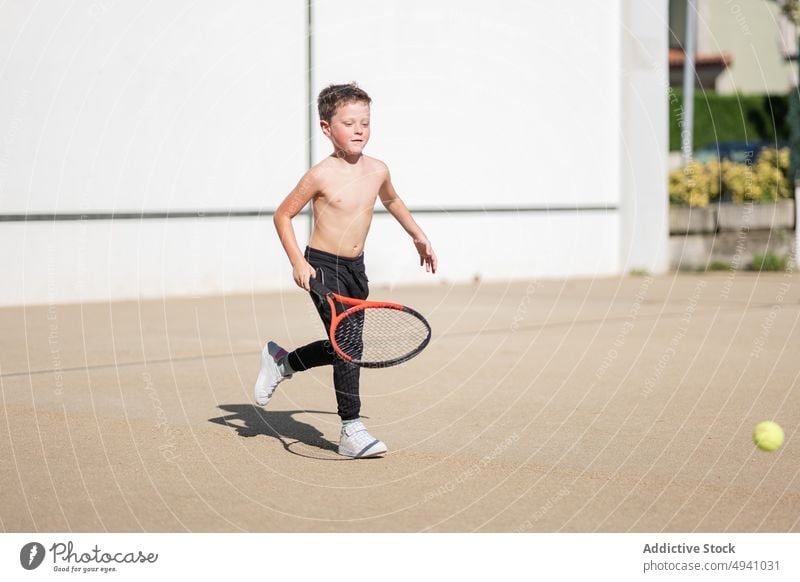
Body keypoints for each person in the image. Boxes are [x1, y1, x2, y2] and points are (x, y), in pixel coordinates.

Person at [255, 82, 437, 458]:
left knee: (345, 345)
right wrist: (298, 262)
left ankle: (283, 362)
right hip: (322, 267)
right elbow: (283, 215)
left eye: (365, 123)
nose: (359, 130)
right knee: (350, 345)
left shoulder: (378, 169)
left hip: (356, 269)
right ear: (326, 128)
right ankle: (351, 430)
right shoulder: (320, 174)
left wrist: (417, 234)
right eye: (349, 123)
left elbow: (392, 199)